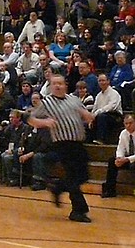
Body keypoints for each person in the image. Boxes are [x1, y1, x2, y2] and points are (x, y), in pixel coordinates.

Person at [27, 73, 94, 223]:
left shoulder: (74, 99)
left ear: (65, 85)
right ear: (50, 86)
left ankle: (57, 187)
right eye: (54, 84)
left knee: (83, 176)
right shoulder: (46, 102)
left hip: (78, 143)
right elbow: (30, 119)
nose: (57, 86)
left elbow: (84, 113)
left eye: (60, 83)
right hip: (62, 144)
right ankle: (78, 210)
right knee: (72, 176)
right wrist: (44, 123)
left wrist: (87, 115)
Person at [102, 113, 135, 198]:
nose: (128, 126)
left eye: (130, 123)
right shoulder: (123, 133)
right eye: (126, 124)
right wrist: (119, 158)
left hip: (132, 159)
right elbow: (120, 148)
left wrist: (127, 159)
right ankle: (110, 190)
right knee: (112, 161)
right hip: (127, 159)